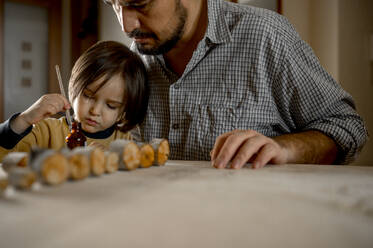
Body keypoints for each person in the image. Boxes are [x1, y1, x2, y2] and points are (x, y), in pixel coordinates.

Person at [104, 0, 368, 169]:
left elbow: (347, 126)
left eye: (140, 4)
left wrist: (286, 148)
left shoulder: (266, 34)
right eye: (113, 4)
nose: (126, 25)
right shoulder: (135, 59)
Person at [0, 40, 148, 161]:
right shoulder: (46, 131)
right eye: (88, 96)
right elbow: (4, 156)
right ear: (74, 86)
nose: (95, 111)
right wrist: (24, 119)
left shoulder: (124, 141)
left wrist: (111, 159)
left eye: (110, 105)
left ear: (124, 110)